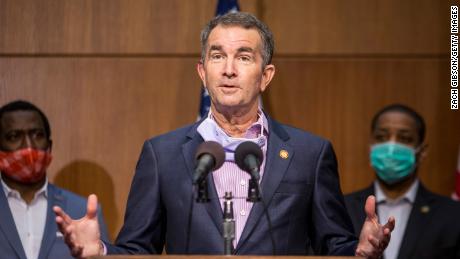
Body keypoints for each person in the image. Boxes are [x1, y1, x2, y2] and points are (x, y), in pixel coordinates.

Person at [54, 12, 394, 258]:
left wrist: (359, 252)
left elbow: (333, 244)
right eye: (217, 56)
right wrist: (98, 252)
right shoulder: (163, 154)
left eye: (243, 57)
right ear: (203, 72)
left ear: (265, 75)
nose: (229, 69)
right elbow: (137, 249)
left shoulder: (310, 153)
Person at [345, 104, 460, 259]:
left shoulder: (453, 214)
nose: (391, 148)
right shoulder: (342, 209)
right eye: (381, 137)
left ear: (422, 152)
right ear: (371, 147)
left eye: (404, 138)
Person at [0, 100, 109, 259]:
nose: (28, 146)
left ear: (49, 146)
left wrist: (99, 254)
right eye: (14, 136)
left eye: (37, 135)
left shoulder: (83, 210)